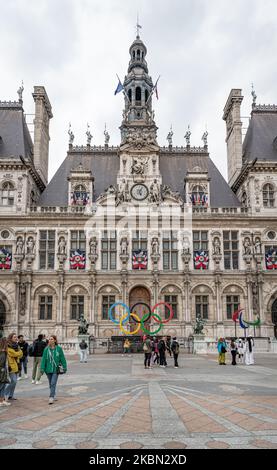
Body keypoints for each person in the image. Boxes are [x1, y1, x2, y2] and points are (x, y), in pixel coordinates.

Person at [40, 335, 67, 405]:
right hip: (48, 369)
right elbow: (43, 360)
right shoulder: (46, 349)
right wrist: (42, 368)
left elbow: (62, 358)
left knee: (53, 383)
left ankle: (51, 397)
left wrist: (65, 367)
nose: (50, 340)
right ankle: (53, 394)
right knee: (50, 383)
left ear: (55, 340)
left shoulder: (59, 349)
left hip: (56, 369)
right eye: (49, 339)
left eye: (52, 339)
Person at [4, 333, 23, 401]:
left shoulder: (17, 346)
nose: (16, 338)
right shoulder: (8, 346)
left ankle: (10, 396)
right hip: (11, 366)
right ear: (11, 338)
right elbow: (14, 354)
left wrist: (19, 353)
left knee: (14, 382)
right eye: (14, 337)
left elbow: (21, 355)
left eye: (16, 337)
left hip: (17, 365)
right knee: (14, 381)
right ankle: (3, 393)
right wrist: (19, 352)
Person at [0, 337, 11, 407]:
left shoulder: (3, 352)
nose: (8, 344)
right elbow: (1, 363)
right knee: (1, 385)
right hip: (2, 371)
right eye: (7, 342)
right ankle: (1, 401)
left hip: (3, 370)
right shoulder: (3, 352)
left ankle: (2, 400)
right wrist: (2, 369)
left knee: (3, 385)